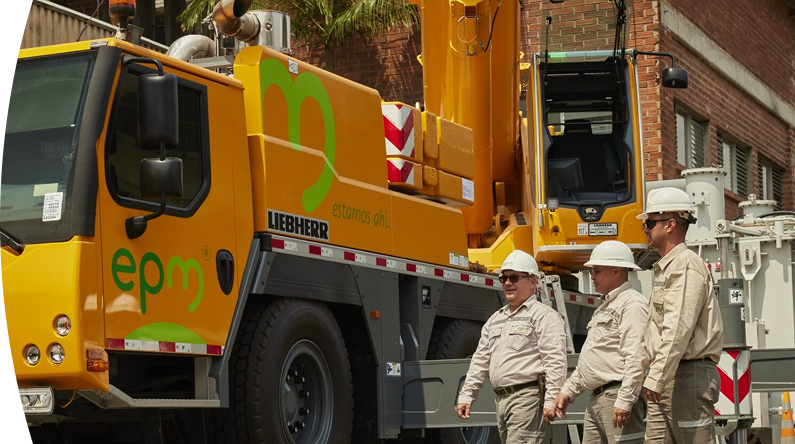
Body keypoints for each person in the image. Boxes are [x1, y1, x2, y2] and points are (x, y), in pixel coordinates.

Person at [638, 187, 724, 443]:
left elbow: (677, 329)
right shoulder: (669, 267)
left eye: (650, 222)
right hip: (670, 374)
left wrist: (655, 377)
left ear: (670, 225)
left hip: (687, 376)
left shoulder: (685, 264)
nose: (645, 228)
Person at [456, 250, 568, 443]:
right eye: (504, 278)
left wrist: (550, 400)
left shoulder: (544, 316)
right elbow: (480, 360)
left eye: (514, 277)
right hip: (501, 401)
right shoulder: (496, 319)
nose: (508, 283)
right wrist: (467, 395)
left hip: (526, 399)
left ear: (533, 282)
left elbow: (555, 361)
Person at [553, 240, 649, 444]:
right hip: (599, 399)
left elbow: (636, 356)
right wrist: (568, 391)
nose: (592, 277)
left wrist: (625, 400)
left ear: (616, 271)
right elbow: (591, 359)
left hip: (617, 397)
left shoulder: (632, 303)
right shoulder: (604, 308)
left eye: (596, 270)